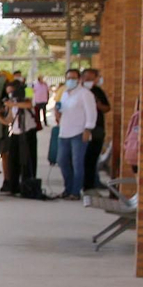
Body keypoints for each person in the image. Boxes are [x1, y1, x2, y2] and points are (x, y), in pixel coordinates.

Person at [56, 67, 96, 201]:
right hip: (64, 132)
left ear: (79, 79)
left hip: (79, 133)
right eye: (68, 78)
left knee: (77, 163)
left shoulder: (85, 94)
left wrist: (88, 129)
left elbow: (91, 112)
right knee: (62, 161)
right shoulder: (65, 94)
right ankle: (67, 188)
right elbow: (63, 109)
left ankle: (75, 191)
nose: (70, 81)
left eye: (73, 78)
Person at [82, 67, 111, 194]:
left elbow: (107, 108)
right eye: (86, 78)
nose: (88, 80)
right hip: (80, 130)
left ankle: (91, 184)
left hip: (97, 130)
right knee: (80, 159)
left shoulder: (98, 91)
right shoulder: (78, 91)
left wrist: (98, 105)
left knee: (92, 158)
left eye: (91, 78)